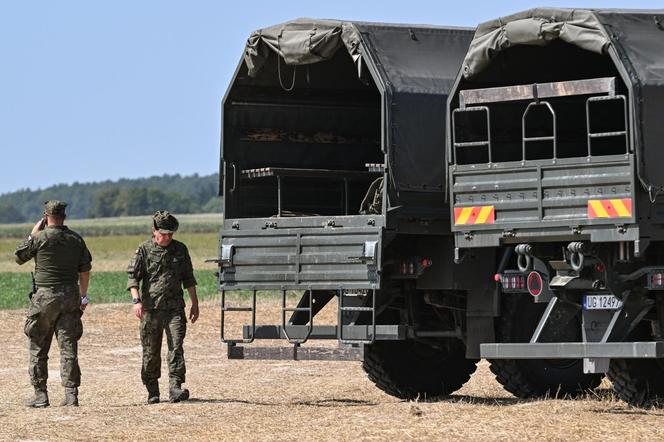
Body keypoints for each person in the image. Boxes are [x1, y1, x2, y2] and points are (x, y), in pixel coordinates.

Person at [15, 200, 92, 408]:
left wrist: (32, 233)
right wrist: (83, 296)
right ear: (64, 216)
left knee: (38, 345)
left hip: (45, 298)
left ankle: (41, 395)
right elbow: (84, 271)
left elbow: (20, 257)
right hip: (70, 296)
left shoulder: (39, 238)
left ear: (45, 216)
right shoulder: (76, 239)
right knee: (69, 347)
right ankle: (71, 395)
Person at [127, 210, 199, 404]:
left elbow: (189, 278)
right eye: (164, 233)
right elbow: (132, 278)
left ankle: (175, 387)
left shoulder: (180, 249)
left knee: (176, 346)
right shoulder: (144, 250)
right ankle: (152, 390)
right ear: (154, 231)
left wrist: (195, 303)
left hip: (175, 308)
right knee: (151, 351)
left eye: (170, 234)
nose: (167, 237)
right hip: (151, 310)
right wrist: (136, 301)